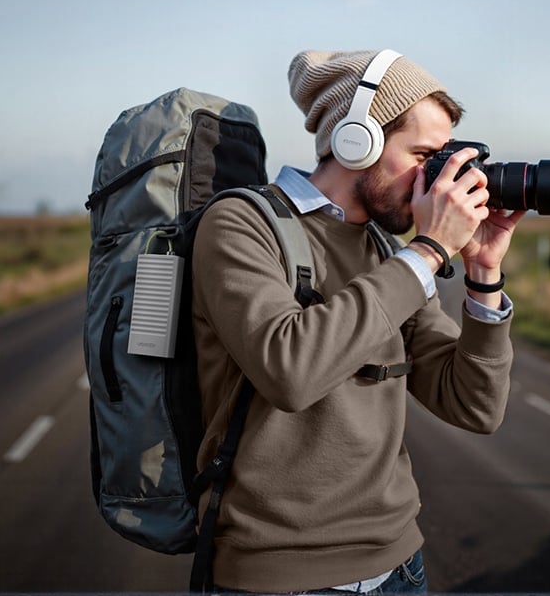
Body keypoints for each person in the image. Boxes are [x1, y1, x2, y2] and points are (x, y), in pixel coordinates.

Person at [190, 49, 525, 593]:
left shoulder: (384, 250)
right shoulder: (241, 223)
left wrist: (483, 273)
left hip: (399, 565)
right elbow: (290, 371)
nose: (438, 182)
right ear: (356, 140)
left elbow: (474, 406)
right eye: (425, 156)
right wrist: (430, 248)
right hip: (279, 576)